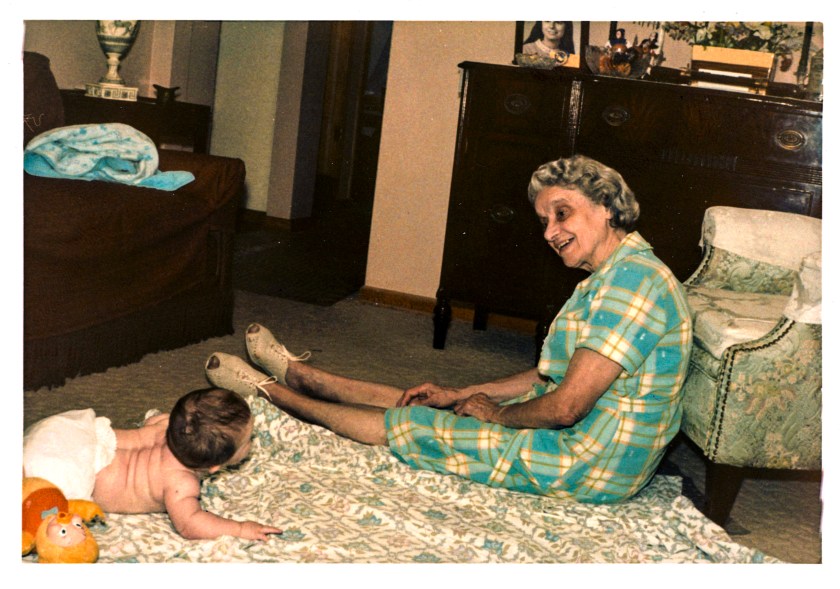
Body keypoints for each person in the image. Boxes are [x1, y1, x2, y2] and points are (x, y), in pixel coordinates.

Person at [206, 154, 692, 504]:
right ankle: (304, 375)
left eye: (561, 213)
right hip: (585, 438)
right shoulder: (611, 275)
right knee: (432, 402)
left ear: (606, 206)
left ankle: (269, 391)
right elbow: (550, 375)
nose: (548, 232)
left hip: (591, 462)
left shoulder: (633, 282)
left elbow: (566, 407)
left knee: (415, 425)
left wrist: (495, 417)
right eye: (544, 219)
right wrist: (461, 392)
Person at [23, 387, 282, 541]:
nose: (252, 443)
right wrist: (239, 528)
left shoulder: (165, 424)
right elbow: (190, 524)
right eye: (247, 442)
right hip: (70, 473)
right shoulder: (181, 483)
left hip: (66, 435)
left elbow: (150, 423)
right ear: (214, 467)